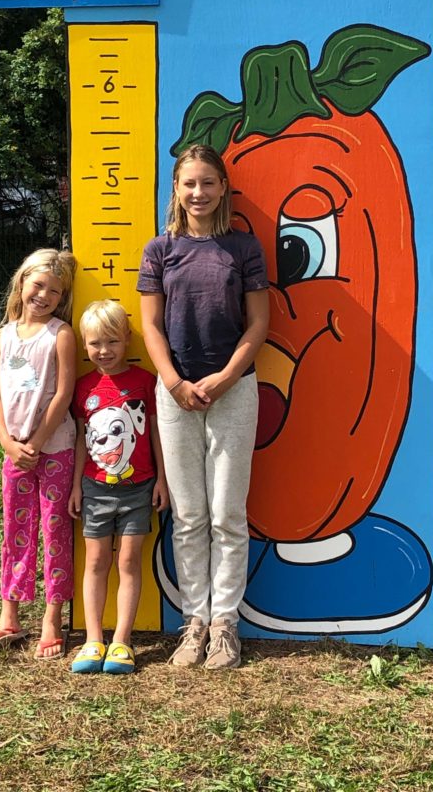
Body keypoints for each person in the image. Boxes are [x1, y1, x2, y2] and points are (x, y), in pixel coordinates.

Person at [137, 143, 269, 669]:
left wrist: (224, 377)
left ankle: (225, 626)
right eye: (189, 183)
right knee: (189, 516)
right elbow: (148, 325)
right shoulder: (159, 250)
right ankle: (193, 623)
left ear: (223, 189)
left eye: (208, 183)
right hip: (175, 396)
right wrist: (173, 383)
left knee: (228, 515)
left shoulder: (244, 247)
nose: (199, 193)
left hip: (233, 391)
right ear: (176, 188)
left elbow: (259, 324)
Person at [68, 300, 168, 675]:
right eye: (94, 344)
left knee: (128, 562)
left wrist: (163, 479)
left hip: (139, 489)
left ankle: (122, 641)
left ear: (127, 339)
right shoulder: (83, 388)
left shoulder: (145, 383)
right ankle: (93, 639)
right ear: (84, 345)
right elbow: (81, 439)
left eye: (111, 342)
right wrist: (77, 486)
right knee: (95, 562)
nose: (103, 352)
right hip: (94, 490)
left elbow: (156, 434)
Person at [0, 248, 77, 660]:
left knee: (54, 531)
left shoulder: (60, 334)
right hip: (15, 453)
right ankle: (10, 613)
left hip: (54, 449)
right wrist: (8, 443)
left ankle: (51, 618)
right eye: (38, 285)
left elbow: (63, 394)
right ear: (21, 283)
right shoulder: (1, 337)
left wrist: (39, 441)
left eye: (54, 292)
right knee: (15, 531)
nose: (43, 295)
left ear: (62, 299)